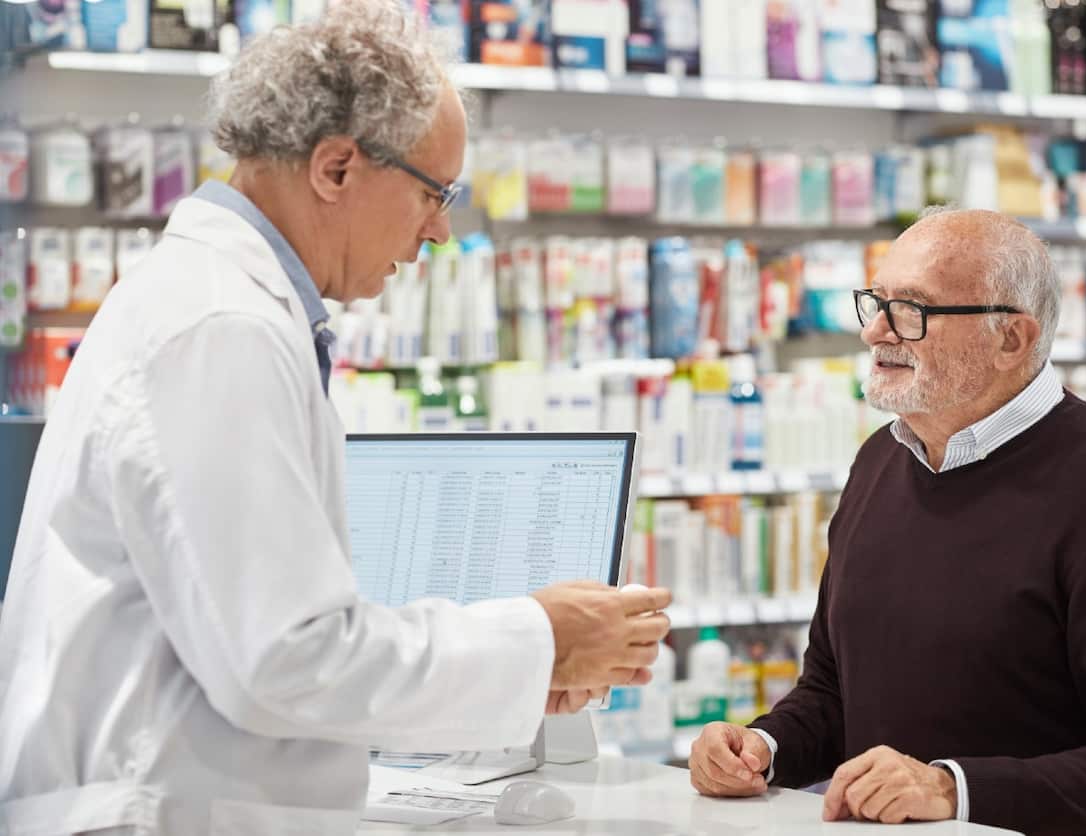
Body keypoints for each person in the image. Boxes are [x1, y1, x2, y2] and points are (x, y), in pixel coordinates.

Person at [0, 3, 670, 834]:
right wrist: (538, 640)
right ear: (337, 168)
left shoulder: (230, 308)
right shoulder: (221, 327)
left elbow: (275, 651)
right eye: (434, 192)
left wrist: (526, 669)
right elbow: (287, 660)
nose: (440, 231)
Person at [688, 208, 1086, 835]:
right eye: (877, 302)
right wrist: (763, 749)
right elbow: (833, 694)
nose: (876, 331)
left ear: (1010, 338)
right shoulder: (879, 461)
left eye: (913, 310)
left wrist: (952, 790)